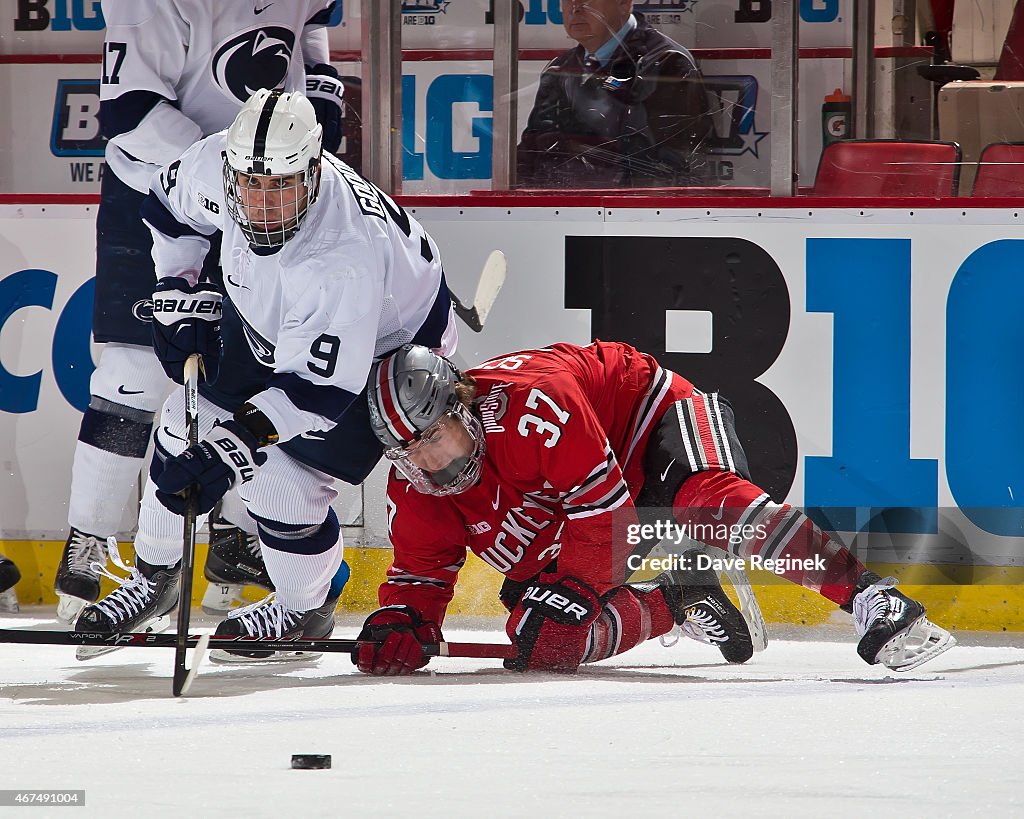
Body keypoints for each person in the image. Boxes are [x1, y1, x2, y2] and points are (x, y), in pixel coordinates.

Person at [72, 88, 458, 663]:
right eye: (251, 184)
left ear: (312, 172)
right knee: (183, 421)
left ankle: (306, 605)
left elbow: (315, 392)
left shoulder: (342, 253)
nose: (262, 203)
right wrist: (179, 287)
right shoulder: (216, 162)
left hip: (380, 353)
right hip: (272, 316)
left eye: (281, 185)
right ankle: (155, 576)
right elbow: (164, 208)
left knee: (281, 479)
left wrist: (233, 449)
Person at [353, 342, 956, 676]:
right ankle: (680, 597)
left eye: (433, 438)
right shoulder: (415, 486)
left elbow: (604, 516)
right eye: (406, 453)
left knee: (704, 501)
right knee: (541, 641)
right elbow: (419, 576)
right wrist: (402, 625)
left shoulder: (535, 405)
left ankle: (871, 595)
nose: (426, 463)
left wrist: (580, 590)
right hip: (581, 501)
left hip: (648, 422)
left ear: (463, 409)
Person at [56, 0, 348, 624]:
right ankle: (91, 538)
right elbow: (128, 110)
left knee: (257, 375)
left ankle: (240, 537)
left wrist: (313, 130)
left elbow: (311, 30)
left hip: (269, 194)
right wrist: (236, 167)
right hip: (160, 190)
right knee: (134, 373)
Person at [516, 0, 714, 189]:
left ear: (623, 3)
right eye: (568, 0)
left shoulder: (666, 62)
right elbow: (531, 152)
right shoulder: (560, 69)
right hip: (562, 210)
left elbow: (672, 166)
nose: (575, 8)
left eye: (587, 0)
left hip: (632, 213)